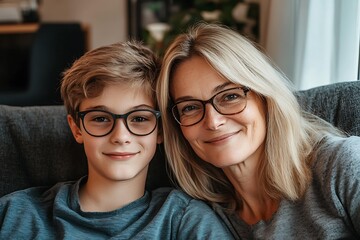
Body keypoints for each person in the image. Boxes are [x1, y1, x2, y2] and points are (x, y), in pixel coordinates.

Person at [0, 41, 234, 239]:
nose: (121, 136)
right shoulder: (15, 215)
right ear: (76, 128)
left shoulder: (183, 221)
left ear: (161, 129)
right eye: (101, 118)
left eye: (140, 118)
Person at [156, 22, 360, 239]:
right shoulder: (203, 219)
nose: (213, 122)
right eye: (190, 107)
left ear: (266, 98)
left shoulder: (341, 164)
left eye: (230, 96)